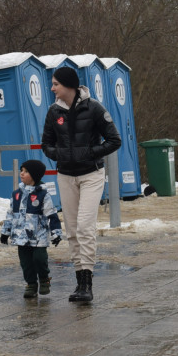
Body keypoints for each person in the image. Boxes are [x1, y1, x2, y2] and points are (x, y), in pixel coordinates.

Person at [41, 66, 122, 303]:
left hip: (91, 175)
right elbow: (46, 144)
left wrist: (89, 153)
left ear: (68, 85)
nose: (52, 88)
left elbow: (114, 140)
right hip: (66, 176)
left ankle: (88, 284)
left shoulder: (94, 107)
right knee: (72, 230)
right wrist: (60, 155)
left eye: (55, 84)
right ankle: (79, 283)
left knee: (86, 227)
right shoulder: (53, 111)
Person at [0, 160, 63, 298]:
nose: (22, 173)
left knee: (39, 259)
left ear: (34, 175)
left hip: (39, 236)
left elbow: (52, 215)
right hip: (21, 236)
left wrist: (56, 233)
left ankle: (44, 279)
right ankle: (31, 284)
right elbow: (10, 214)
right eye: (21, 170)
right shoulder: (16, 194)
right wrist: (5, 232)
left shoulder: (43, 195)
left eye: (26, 171)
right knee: (26, 263)